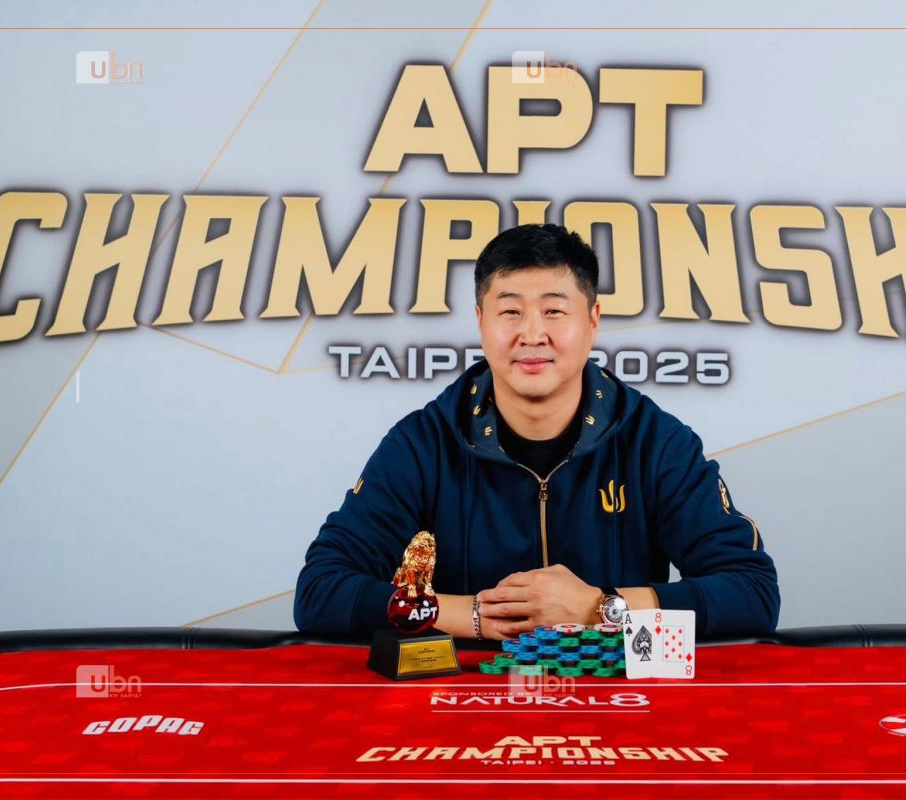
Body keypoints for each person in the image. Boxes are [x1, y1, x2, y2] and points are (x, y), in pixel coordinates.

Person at [293, 224, 779, 641]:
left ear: (592, 321)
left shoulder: (655, 443)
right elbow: (321, 591)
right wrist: (476, 616)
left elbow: (751, 591)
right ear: (480, 322)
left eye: (554, 311)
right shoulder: (424, 443)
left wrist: (601, 608)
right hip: (461, 695)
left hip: (617, 693)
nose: (531, 334)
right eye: (510, 312)